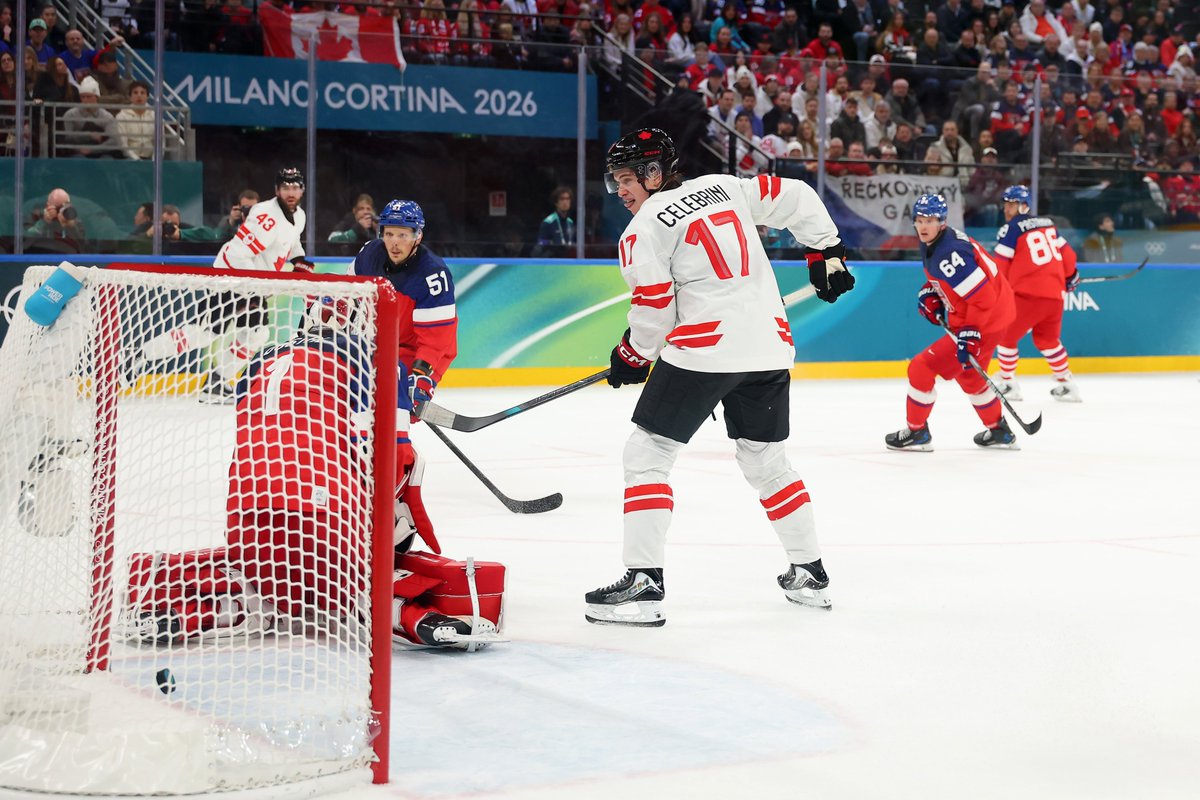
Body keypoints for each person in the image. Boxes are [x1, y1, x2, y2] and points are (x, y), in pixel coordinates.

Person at [585, 127, 855, 626]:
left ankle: (643, 583)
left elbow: (655, 308)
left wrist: (633, 353)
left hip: (705, 350)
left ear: (653, 173)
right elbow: (797, 195)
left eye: (626, 179)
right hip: (770, 345)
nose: (619, 190)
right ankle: (810, 572)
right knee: (767, 460)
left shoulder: (643, 229)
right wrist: (826, 249)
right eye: (614, 181)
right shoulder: (725, 186)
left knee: (648, 454)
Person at [125, 300, 497, 649]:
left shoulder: (260, 359)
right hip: (323, 518)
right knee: (355, 590)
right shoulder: (373, 356)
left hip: (246, 511)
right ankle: (421, 621)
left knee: (265, 592)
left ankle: (179, 616)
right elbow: (390, 455)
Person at [884, 193, 1017, 452]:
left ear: (942, 222)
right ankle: (999, 431)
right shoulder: (938, 241)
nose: (924, 226)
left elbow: (983, 298)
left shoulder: (949, 252)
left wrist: (970, 333)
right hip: (995, 316)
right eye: (920, 220)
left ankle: (917, 432)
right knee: (971, 377)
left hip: (985, 319)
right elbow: (954, 281)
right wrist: (933, 291)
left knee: (921, 368)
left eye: (930, 220)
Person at [206, 167, 314, 401]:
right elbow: (236, 254)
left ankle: (217, 382)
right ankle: (139, 355)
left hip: (253, 284)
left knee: (256, 333)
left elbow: (292, 242)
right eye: (285, 187)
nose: (291, 192)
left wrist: (298, 259)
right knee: (206, 333)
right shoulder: (265, 215)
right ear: (276, 190)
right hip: (230, 279)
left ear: (302, 190)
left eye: (295, 187)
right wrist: (255, 286)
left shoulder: (299, 216)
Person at [349, 199, 458, 408]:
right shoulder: (370, 254)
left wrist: (420, 375)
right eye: (389, 234)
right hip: (381, 343)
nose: (394, 243)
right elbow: (348, 292)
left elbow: (436, 339)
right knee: (357, 401)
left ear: (418, 236)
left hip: (417, 349)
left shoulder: (433, 274)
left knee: (398, 408)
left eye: (402, 235)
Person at [990, 185, 1082, 403]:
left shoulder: (1011, 229)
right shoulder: (1048, 224)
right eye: (1006, 204)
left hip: (1027, 295)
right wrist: (1070, 277)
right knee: (1047, 340)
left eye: (1012, 205)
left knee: (1005, 336)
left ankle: (1008, 383)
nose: (1007, 209)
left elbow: (1000, 266)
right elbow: (1068, 256)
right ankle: (1067, 384)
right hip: (1055, 296)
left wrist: (995, 293)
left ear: (1024, 206)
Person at [534, 185, 575, 256]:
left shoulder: (570, 222)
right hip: (550, 260)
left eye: (567, 199)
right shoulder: (548, 222)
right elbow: (540, 242)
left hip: (565, 260)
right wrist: (552, 243)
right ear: (556, 202)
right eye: (562, 199)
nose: (565, 202)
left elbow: (570, 242)